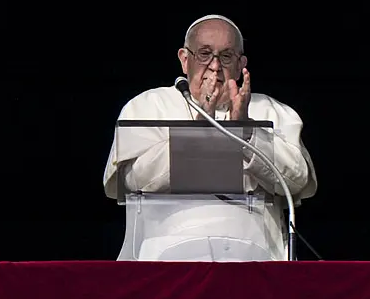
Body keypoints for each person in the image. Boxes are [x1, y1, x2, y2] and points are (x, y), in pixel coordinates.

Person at [103, 14, 317, 261]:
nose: (215, 66)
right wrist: (198, 131)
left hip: (254, 258)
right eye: (204, 54)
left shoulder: (271, 111)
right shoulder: (148, 105)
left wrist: (247, 131)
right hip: (165, 256)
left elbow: (297, 180)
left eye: (226, 56)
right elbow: (133, 179)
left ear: (240, 64)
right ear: (185, 60)